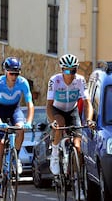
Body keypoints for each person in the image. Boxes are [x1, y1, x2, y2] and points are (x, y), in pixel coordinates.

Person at [47, 54, 95, 199]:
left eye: (73, 71)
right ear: (62, 70)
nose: (70, 75)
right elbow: (49, 106)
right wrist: (52, 120)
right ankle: (55, 153)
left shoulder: (80, 80)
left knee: (78, 146)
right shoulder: (54, 80)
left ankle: (77, 182)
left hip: (72, 110)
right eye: (67, 71)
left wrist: (89, 120)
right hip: (57, 110)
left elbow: (87, 103)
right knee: (59, 123)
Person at [0, 57, 34, 197]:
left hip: (15, 109)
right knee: (0, 143)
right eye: (11, 73)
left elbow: (30, 104)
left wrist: (29, 121)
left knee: (20, 128)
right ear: (5, 72)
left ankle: (16, 156)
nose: (14, 76)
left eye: (17, 73)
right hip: (0, 111)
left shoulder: (23, 82)